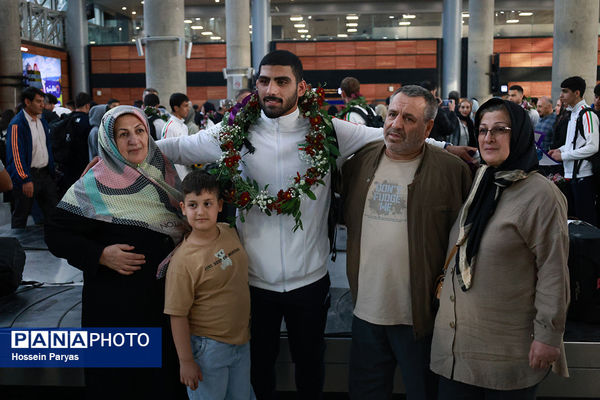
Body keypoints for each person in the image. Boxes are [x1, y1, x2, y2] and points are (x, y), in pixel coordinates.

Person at [431, 98, 569, 399]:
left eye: (499, 129)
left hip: (506, 353)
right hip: (458, 349)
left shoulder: (541, 195)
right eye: (482, 130)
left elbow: (553, 271)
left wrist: (548, 336)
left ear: (518, 134)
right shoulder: (483, 178)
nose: (488, 138)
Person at [44, 105, 186, 399]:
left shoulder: (162, 172)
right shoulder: (93, 184)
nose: (134, 141)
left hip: (160, 305)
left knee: (161, 383)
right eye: (123, 135)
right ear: (110, 140)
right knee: (120, 385)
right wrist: (99, 254)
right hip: (115, 310)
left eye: (139, 132)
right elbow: (55, 233)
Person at [341, 85, 472, 400]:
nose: (396, 124)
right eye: (393, 114)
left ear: (428, 127)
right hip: (366, 313)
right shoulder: (358, 163)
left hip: (421, 319)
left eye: (409, 119)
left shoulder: (452, 171)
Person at [164, 169, 254, 400]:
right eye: (193, 205)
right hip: (209, 349)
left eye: (207, 203)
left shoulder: (228, 231)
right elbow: (177, 314)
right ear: (183, 208)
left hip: (241, 343)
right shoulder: (183, 261)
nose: (201, 211)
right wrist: (186, 361)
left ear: (220, 205)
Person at [549, 76, 599, 225]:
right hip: (572, 175)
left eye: (565, 91)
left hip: (584, 176)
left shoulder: (587, 114)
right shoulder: (573, 114)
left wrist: (563, 155)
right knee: (573, 221)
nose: (561, 95)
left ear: (577, 93)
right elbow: (573, 144)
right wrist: (558, 150)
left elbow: (592, 146)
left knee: (586, 223)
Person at [6, 87, 58, 228]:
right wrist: (24, 178)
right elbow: (16, 155)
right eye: (38, 101)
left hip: (45, 174)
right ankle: (16, 246)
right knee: (21, 214)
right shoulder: (18, 124)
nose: (42, 105)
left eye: (43, 101)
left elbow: (46, 148)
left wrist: (52, 170)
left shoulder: (42, 121)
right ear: (27, 102)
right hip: (28, 175)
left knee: (53, 212)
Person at [58, 92, 93, 194]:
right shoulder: (88, 121)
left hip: (65, 166)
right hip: (83, 166)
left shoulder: (65, 119)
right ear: (87, 105)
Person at [162, 93, 193, 180]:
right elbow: (165, 155)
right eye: (185, 106)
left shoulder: (184, 126)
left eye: (188, 105)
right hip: (175, 176)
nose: (188, 109)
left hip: (185, 173)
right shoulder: (170, 127)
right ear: (176, 108)